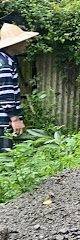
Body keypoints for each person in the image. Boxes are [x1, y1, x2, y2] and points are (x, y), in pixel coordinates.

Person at [0, 23, 38, 151]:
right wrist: (15, 119)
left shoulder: (6, 60)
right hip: (3, 121)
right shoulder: (4, 64)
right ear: (13, 43)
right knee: (4, 157)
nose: (26, 43)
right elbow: (6, 93)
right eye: (23, 41)